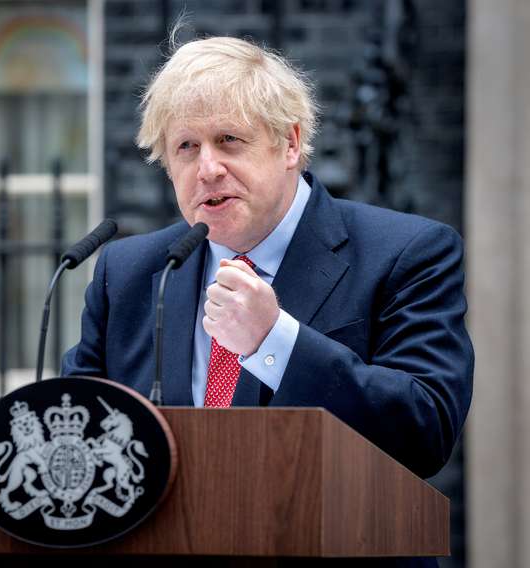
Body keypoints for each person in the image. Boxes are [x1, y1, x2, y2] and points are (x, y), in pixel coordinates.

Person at [61, 36, 473, 566]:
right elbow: (79, 429)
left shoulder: (407, 252)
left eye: (229, 140)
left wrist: (275, 342)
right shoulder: (130, 272)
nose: (207, 168)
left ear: (291, 143)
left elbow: (426, 430)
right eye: (186, 147)